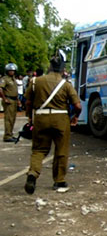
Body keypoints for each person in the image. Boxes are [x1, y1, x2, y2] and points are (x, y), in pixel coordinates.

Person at [24, 53, 82, 194]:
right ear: (62, 69)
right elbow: (78, 106)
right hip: (61, 120)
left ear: (49, 67)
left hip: (41, 118)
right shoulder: (66, 85)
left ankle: (32, 174)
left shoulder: (35, 82)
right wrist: (75, 117)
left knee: (38, 150)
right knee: (61, 150)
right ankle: (59, 181)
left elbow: (28, 102)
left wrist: (30, 118)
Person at [0, 63, 21, 142]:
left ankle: (10, 134)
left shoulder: (13, 79)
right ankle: (7, 136)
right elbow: (0, 89)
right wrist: (4, 98)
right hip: (8, 100)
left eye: (13, 71)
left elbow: (15, 91)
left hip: (14, 100)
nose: (12, 72)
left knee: (13, 118)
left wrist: (18, 100)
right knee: (9, 119)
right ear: (7, 71)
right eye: (10, 71)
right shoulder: (4, 79)